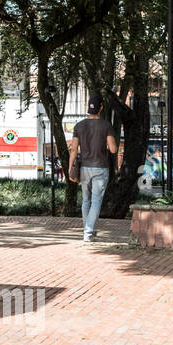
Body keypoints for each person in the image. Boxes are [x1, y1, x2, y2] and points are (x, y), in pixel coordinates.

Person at [69, 94, 117, 243]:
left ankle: (87, 229)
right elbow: (114, 149)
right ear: (101, 108)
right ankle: (88, 232)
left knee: (86, 200)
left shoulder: (79, 126)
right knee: (96, 201)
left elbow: (74, 149)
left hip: (84, 168)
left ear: (88, 108)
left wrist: (70, 167)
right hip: (100, 167)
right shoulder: (106, 125)